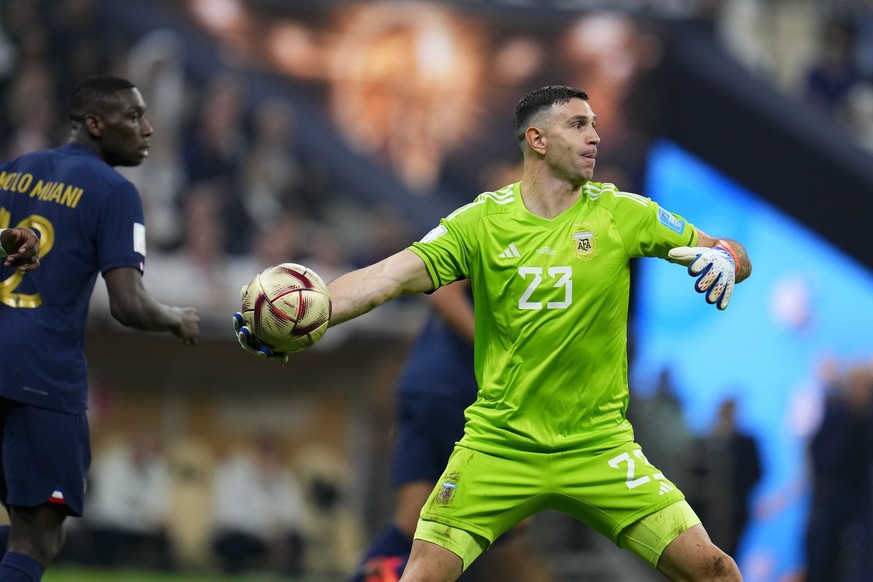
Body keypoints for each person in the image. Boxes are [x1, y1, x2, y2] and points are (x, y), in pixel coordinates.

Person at [235, 85, 752, 581]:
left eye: (595, 126)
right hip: (499, 447)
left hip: (599, 448)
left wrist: (728, 259)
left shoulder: (624, 212)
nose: (595, 137)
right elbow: (387, 278)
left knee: (715, 570)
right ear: (538, 140)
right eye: (578, 125)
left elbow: (724, 249)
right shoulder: (480, 223)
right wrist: (315, 309)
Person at [0, 74, 200, 582]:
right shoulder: (114, 191)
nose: (148, 129)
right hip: (41, 372)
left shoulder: (15, 170)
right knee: (39, 533)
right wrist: (176, 317)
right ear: (95, 124)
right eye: (133, 117)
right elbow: (128, 305)